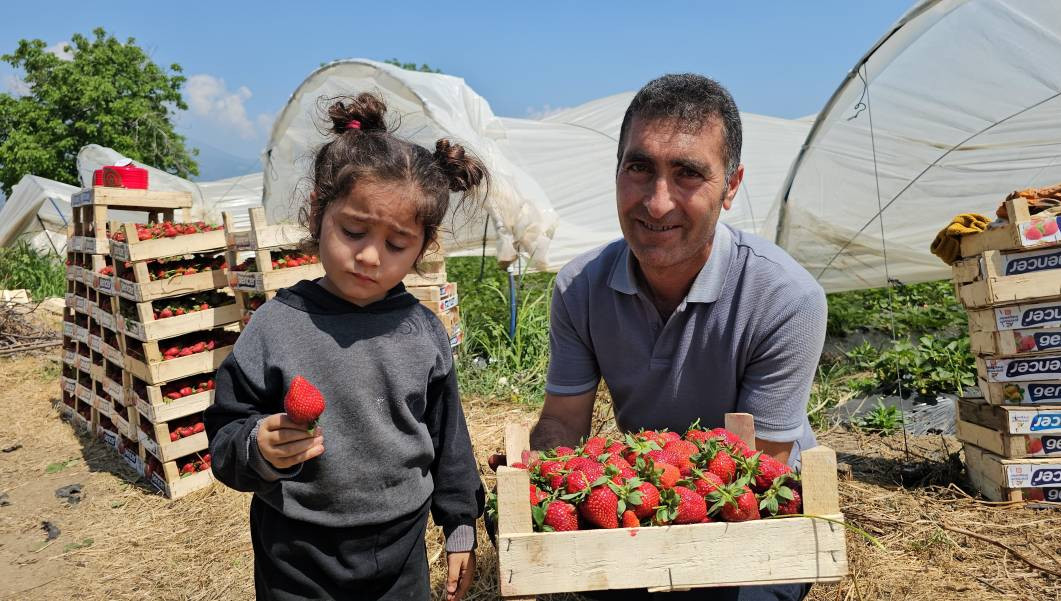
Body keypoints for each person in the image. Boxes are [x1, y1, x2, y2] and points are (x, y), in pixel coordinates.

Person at [529, 74, 827, 600]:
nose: (657, 203)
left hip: (754, 506)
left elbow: (753, 469)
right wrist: (544, 486)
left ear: (731, 187)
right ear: (617, 171)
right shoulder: (580, 288)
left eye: (688, 173)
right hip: (645, 496)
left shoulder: (785, 298)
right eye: (639, 168)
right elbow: (561, 420)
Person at [206, 93, 486, 601]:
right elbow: (226, 432)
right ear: (318, 212)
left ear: (424, 247)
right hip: (297, 552)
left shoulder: (423, 333)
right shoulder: (273, 327)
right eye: (353, 231)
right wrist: (257, 446)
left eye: (398, 244)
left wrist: (460, 525)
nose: (370, 257)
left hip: (401, 548)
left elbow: (449, 442)